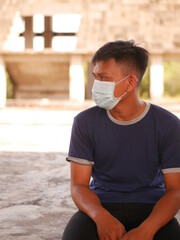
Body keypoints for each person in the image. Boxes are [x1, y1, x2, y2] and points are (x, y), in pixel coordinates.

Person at [62, 40, 180, 240]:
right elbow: (79, 185)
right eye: (95, 77)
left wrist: (147, 230)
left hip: (152, 209)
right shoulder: (84, 122)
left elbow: (175, 190)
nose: (96, 84)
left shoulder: (168, 125)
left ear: (130, 82)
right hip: (101, 206)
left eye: (103, 77)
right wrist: (100, 217)